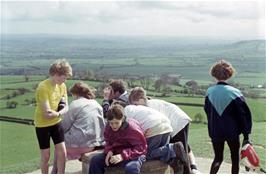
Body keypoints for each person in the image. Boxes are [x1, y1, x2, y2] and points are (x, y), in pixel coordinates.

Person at [128, 87, 195, 174]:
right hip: (174, 121)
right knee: (180, 150)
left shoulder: (150, 106)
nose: (136, 106)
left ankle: (187, 171)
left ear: (141, 99)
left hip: (177, 122)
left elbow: (154, 121)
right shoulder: (149, 104)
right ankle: (189, 168)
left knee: (179, 150)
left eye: (136, 104)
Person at [204, 60, 252, 174]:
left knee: (217, 158)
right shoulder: (235, 93)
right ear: (229, 74)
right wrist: (246, 135)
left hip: (215, 131)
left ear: (214, 74)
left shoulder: (209, 92)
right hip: (232, 132)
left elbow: (207, 111)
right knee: (235, 160)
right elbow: (244, 115)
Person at [51, 82, 106, 173]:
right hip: (95, 144)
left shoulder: (75, 104)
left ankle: (56, 171)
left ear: (75, 94)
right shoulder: (96, 103)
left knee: (58, 144)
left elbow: (63, 127)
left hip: (78, 145)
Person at [34, 59, 72, 174]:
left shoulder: (62, 86)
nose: (65, 80)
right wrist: (58, 113)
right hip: (42, 125)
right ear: (56, 74)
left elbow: (66, 107)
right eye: (64, 77)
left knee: (63, 153)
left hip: (56, 122)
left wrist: (58, 113)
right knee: (46, 156)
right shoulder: (43, 87)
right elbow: (47, 114)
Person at [89, 104, 147, 174]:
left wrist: (122, 156)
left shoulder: (132, 129)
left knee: (131, 168)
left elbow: (142, 147)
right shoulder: (108, 127)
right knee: (95, 160)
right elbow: (108, 141)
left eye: (117, 123)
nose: (114, 126)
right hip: (116, 153)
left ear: (122, 119)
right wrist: (110, 150)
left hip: (134, 154)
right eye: (111, 123)